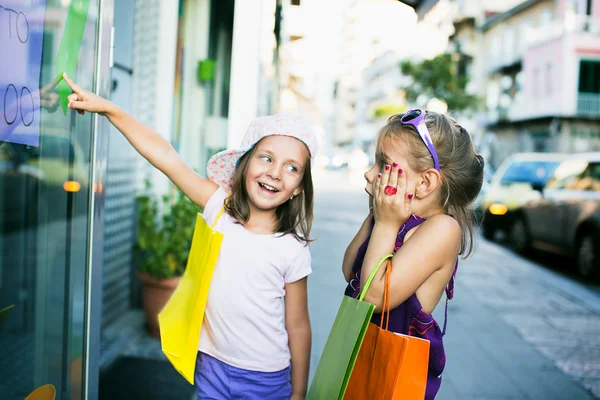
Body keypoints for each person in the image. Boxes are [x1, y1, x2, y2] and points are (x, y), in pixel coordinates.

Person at [61, 73, 315, 400]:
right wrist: (110, 110)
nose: (275, 172)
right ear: (243, 167)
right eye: (266, 157)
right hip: (210, 367)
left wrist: (299, 393)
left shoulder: (292, 249)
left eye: (292, 167)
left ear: (297, 191)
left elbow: (298, 326)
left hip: (266, 379)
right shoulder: (218, 209)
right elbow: (165, 156)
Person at [342, 109, 484, 399]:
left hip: (395, 371)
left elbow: (373, 296)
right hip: (359, 353)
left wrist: (385, 223)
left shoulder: (442, 229)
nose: (369, 173)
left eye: (383, 163)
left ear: (424, 183)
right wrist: (377, 216)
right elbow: (349, 271)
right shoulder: (389, 218)